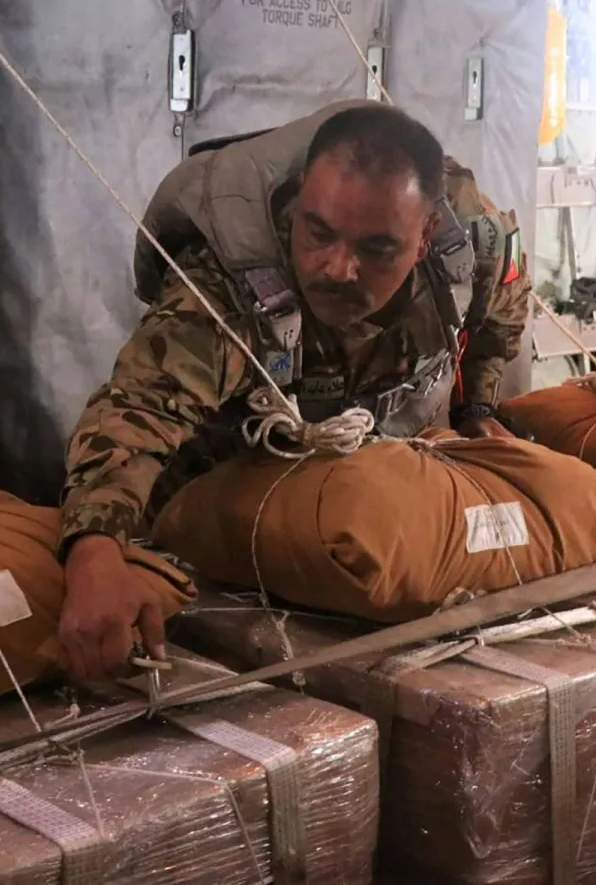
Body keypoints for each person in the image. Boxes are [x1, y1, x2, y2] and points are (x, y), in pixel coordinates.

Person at [56, 100, 531, 680]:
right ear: (302, 197)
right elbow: (138, 406)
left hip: (368, 494)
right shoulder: (232, 282)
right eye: (319, 232)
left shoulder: (469, 242)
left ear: (426, 233)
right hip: (223, 512)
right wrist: (95, 551)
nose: (337, 267)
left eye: (376, 249)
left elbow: (503, 310)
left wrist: (477, 405)